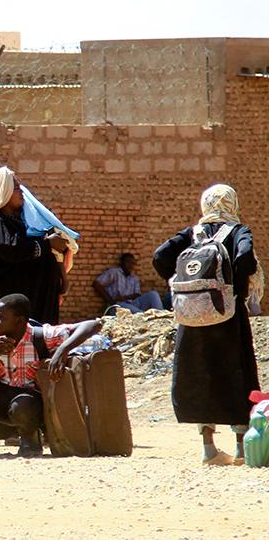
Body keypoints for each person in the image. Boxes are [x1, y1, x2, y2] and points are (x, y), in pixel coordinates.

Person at [153, 183, 262, 465]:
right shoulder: (238, 231)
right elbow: (245, 258)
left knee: (198, 376)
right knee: (236, 373)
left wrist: (186, 286)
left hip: (191, 317)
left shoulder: (193, 233)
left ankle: (208, 448)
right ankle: (240, 446)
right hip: (228, 316)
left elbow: (160, 257)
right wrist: (233, 287)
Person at [0, 294, 102, 458]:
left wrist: (62, 350)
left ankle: (31, 439)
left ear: (19, 321)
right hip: (0, 403)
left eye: (0, 317)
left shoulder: (40, 335)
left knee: (22, 405)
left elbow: (92, 325)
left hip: (30, 405)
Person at [0, 166, 69, 339]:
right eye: (15, 188)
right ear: (2, 192)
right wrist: (46, 245)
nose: (21, 191)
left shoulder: (21, 224)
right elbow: (12, 249)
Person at [93, 253, 164, 313]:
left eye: (133, 263)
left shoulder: (134, 278)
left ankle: (162, 317)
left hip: (132, 304)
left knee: (153, 294)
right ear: (122, 262)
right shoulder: (114, 272)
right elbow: (97, 284)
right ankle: (143, 317)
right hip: (118, 305)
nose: (131, 265)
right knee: (139, 314)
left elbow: (137, 294)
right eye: (128, 262)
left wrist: (125, 297)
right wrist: (111, 301)